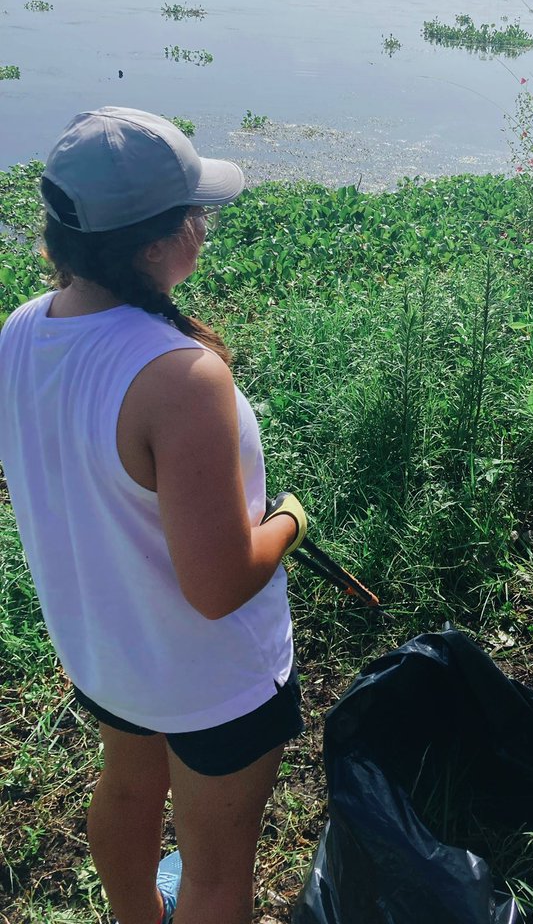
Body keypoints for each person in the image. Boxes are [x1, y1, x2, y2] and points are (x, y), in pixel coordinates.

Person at [0, 107, 309, 924]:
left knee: (128, 785)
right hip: (212, 681)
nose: (203, 227)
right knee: (214, 877)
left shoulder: (23, 330)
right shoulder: (179, 377)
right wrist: (290, 523)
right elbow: (216, 588)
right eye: (192, 214)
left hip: (108, 657)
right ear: (151, 246)